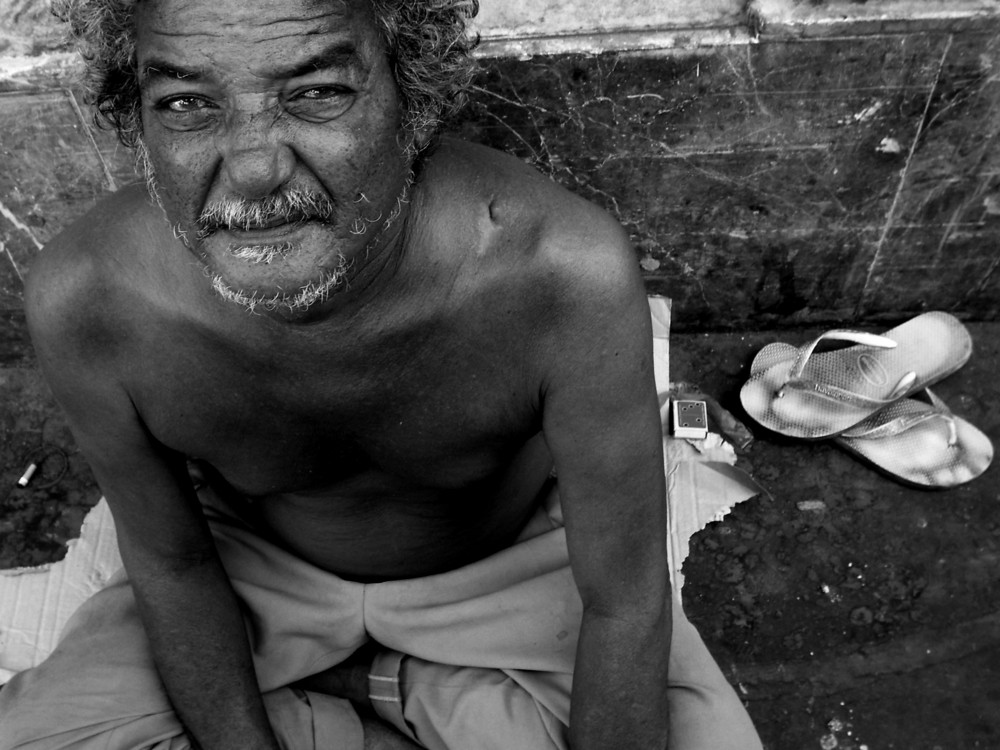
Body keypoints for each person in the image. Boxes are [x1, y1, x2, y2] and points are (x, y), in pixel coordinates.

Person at [0, 1, 763, 748]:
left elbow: (623, 601)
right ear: (138, 120)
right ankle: (406, 700)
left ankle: (369, 690)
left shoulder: (562, 274)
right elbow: (173, 562)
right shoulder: (90, 297)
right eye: (188, 103)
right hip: (252, 574)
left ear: (413, 101)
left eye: (318, 94)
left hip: (505, 570)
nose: (254, 167)